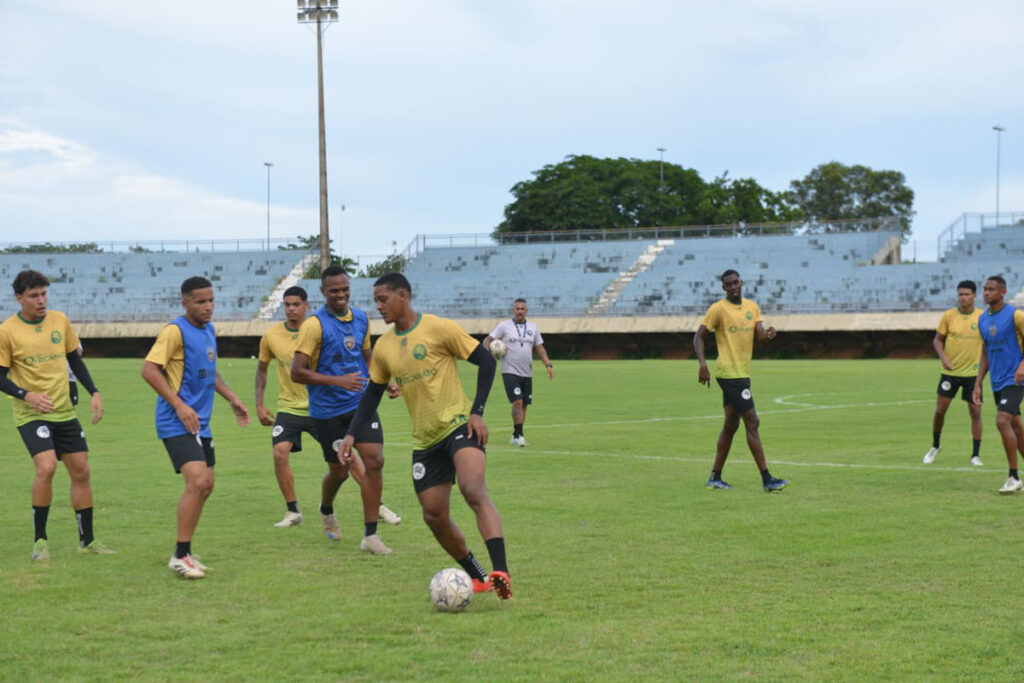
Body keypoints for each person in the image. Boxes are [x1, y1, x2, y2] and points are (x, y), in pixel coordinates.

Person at [338, 272, 513, 600]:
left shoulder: (439, 328)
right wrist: (350, 435)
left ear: (402, 296)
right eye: (375, 301)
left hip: (460, 425)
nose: (378, 307)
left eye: (383, 299)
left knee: (473, 489)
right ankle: (477, 577)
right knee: (434, 515)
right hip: (425, 442)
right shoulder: (384, 347)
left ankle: (500, 570)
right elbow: (372, 394)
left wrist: (477, 411)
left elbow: (486, 361)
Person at [255, 285, 401, 529]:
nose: (291, 309)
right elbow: (262, 370)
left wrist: (381, 382)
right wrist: (258, 405)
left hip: (322, 407)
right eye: (287, 304)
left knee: (347, 462)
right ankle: (293, 511)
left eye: (295, 304)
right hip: (289, 408)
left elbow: (358, 358)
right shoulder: (271, 336)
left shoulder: (320, 328)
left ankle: (377, 506)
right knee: (280, 453)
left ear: (306, 305)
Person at [0, 269, 113, 560]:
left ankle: (87, 541)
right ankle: (40, 541)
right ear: (19, 298)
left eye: (44, 294)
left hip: (64, 412)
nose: (41, 301)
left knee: (81, 471)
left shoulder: (59, 320)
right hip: (31, 413)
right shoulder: (7, 331)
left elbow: (74, 358)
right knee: (47, 467)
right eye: (34, 296)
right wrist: (28, 396)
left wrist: (95, 392)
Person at [142, 276, 250, 579]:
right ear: (185, 302)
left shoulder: (209, 330)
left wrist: (233, 399)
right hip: (175, 421)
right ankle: (179, 555)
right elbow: (149, 370)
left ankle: (186, 551)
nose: (208, 307)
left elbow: (210, 373)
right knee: (198, 482)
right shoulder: (174, 331)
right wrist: (178, 404)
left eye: (211, 300)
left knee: (207, 486)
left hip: (200, 423)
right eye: (201, 302)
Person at [290, 267, 397, 556]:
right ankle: (326, 508)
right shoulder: (313, 326)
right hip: (327, 412)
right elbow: (297, 373)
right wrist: (338, 381)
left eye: (344, 289)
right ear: (323, 293)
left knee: (374, 461)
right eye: (334, 291)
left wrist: (383, 380)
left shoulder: (362, 318)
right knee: (339, 471)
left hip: (360, 405)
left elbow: (365, 354)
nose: (340, 295)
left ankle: (370, 535)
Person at [694, 269, 789, 492]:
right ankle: (767, 479)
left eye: (736, 282)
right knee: (752, 422)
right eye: (729, 284)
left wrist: (769, 335)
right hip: (729, 373)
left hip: (742, 373)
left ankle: (715, 477)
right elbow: (698, 336)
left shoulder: (752, 307)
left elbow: (760, 337)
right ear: (724, 287)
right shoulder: (718, 309)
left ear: (741, 282)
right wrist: (702, 364)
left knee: (731, 425)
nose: (733, 286)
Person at [971, 275, 1024, 495]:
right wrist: (977, 383)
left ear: (1002, 292)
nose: (986, 293)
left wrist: (1023, 364)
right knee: (1016, 427)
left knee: (1002, 421)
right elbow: (985, 352)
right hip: (997, 382)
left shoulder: (1016, 315)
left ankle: (1013, 477)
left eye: (991, 289)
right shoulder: (983, 319)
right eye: (984, 289)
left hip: (1016, 379)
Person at [923, 280, 983, 466]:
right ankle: (935, 446)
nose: (963, 298)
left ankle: (975, 455)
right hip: (950, 373)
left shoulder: (982, 317)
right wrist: (943, 357)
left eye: (967, 294)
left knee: (975, 412)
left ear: (974, 296)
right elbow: (937, 340)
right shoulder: (949, 316)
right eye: (960, 294)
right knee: (940, 410)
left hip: (973, 375)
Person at [484, 298, 553, 447]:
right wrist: (491, 351)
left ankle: (516, 434)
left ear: (526, 311)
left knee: (524, 405)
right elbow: (487, 340)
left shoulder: (533, 327)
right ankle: (519, 435)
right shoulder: (504, 326)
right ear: (513, 310)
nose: (520, 311)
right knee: (517, 401)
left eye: (522, 309)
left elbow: (540, 348)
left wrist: (548, 364)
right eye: (517, 309)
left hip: (526, 372)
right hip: (509, 371)